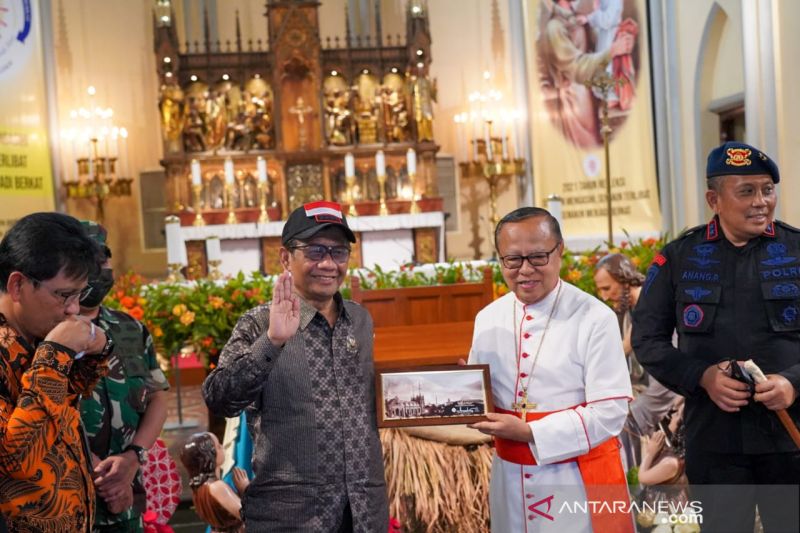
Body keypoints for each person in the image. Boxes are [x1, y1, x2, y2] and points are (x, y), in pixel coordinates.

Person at [632, 141, 800, 532]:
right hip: (715, 441)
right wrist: (702, 377)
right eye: (747, 191)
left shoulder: (796, 250)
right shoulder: (679, 257)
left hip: (790, 439)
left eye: (768, 189)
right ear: (714, 199)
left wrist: (793, 382)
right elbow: (647, 339)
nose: (762, 201)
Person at [202, 201, 389, 531]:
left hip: (362, 511)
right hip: (292, 517)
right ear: (286, 257)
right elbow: (219, 398)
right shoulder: (259, 323)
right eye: (315, 250)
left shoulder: (360, 320)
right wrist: (272, 342)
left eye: (339, 252)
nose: (329, 263)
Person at [468, 207, 633, 532]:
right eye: (512, 260)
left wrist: (531, 432)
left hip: (575, 478)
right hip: (509, 479)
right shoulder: (487, 318)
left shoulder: (594, 317)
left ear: (560, 252)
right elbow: (479, 396)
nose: (525, 270)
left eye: (538, 257)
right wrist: (464, 390)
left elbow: (610, 412)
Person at [0, 212, 111, 531]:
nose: (74, 309)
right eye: (64, 295)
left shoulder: (36, 334)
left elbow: (73, 392)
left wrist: (98, 345)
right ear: (18, 285)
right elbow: (16, 461)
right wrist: (54, 356)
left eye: (79, 295)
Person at [77, 221, 170, 533]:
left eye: (103, 259)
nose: (99, 268)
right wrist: (104, 479)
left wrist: (132, 458)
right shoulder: (45, 334)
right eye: (87, 261)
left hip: (127, 497)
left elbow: (157, 396)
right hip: (71, 499)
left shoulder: (130, 328)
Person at [594, 253, 675, 469]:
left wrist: (635, 413)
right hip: (637, 397)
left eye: (607, 288)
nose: (604, 297)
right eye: (600, 290)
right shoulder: (628, 312)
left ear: (625, 280)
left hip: (663, 404)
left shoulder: (655, 309)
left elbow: (669, 374)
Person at [180, 432, 249, 533]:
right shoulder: (217, 487)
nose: (222, 446)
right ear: (209, 455)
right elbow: (247, 514)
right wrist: (245, 489)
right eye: (217, 446)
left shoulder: (198, 488)